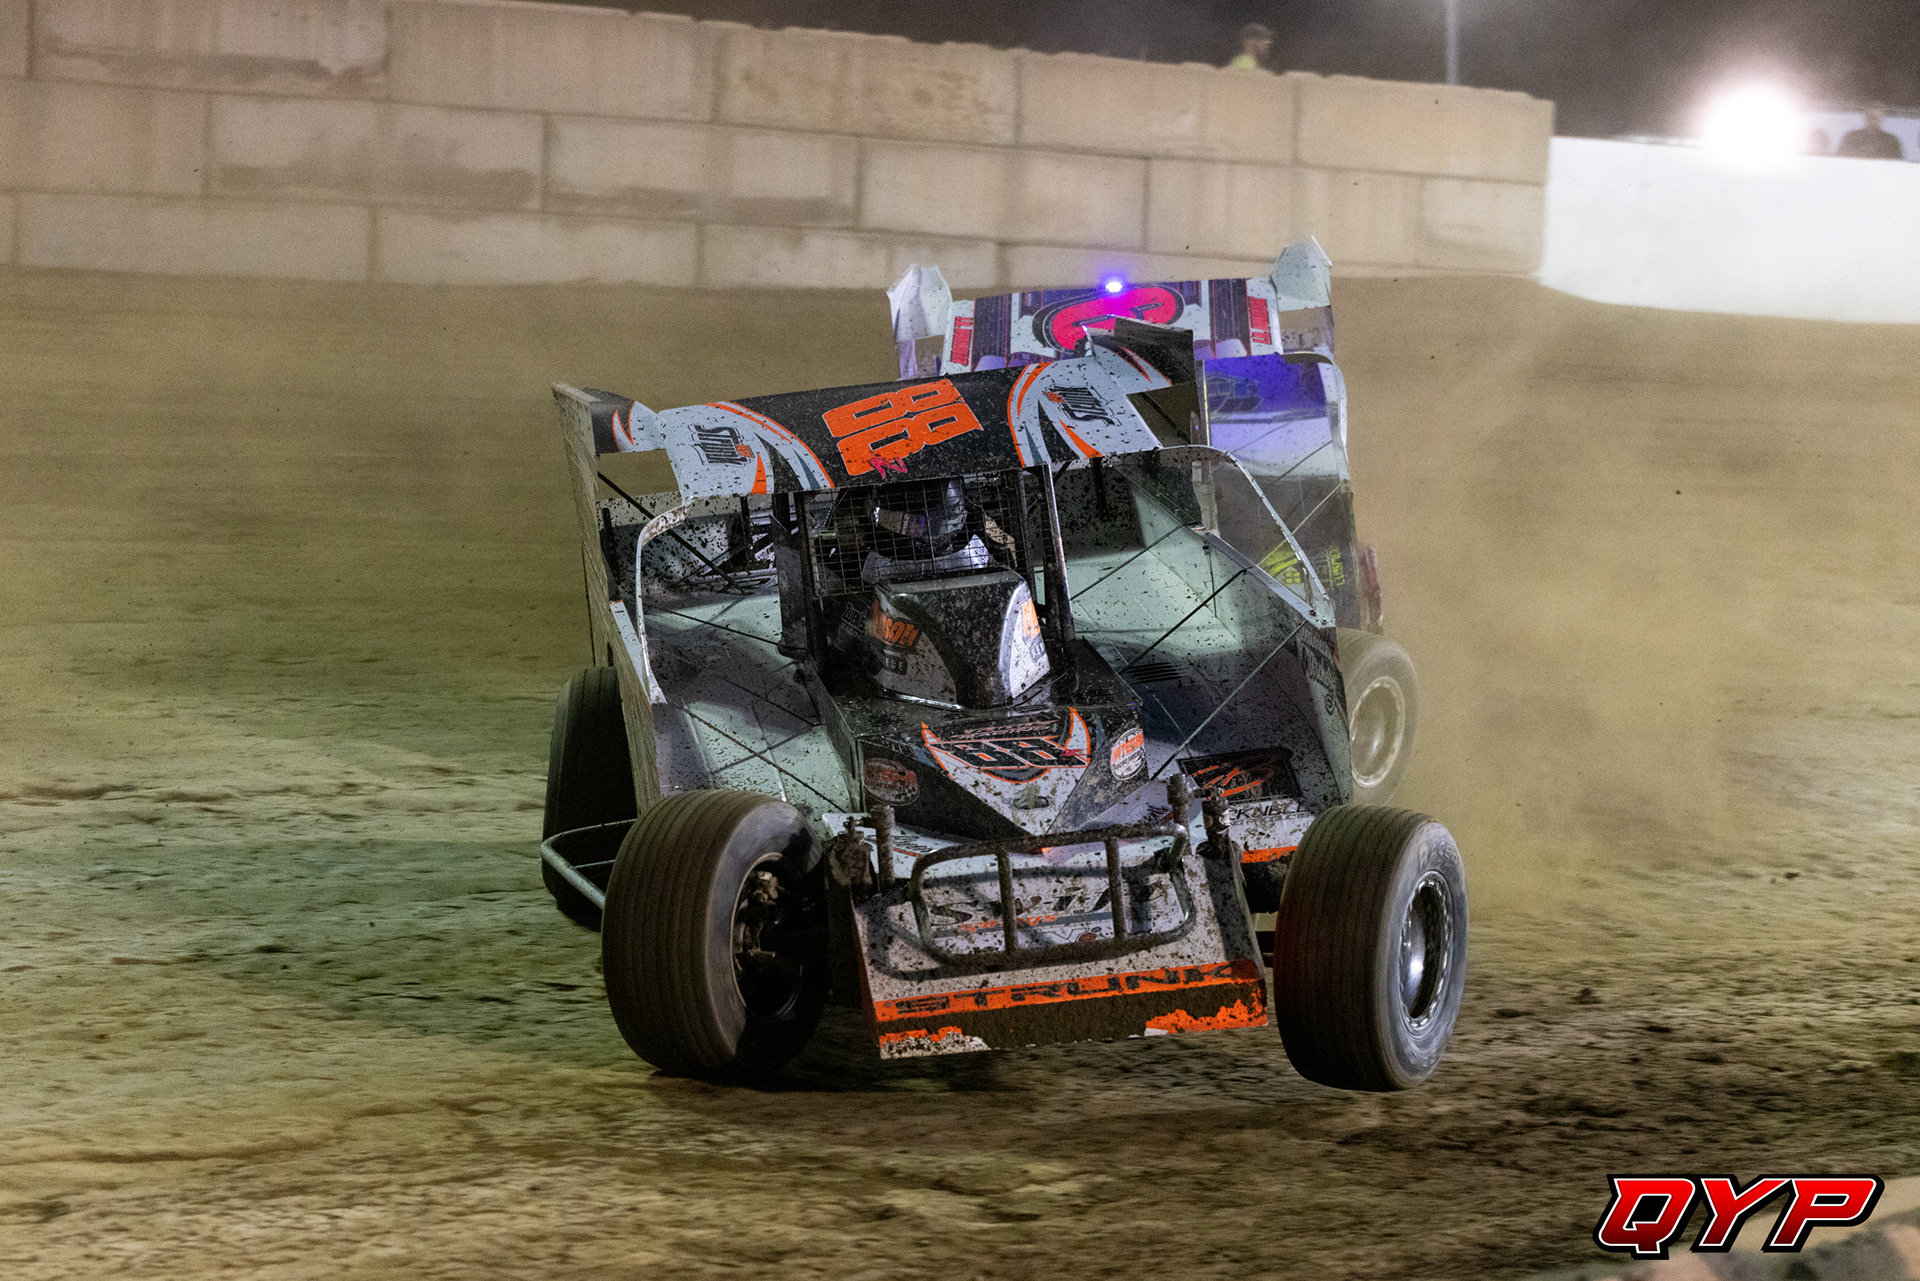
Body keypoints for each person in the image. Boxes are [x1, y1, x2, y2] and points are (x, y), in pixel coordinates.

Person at [1837, 107, 1905, 159]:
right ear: (1865, 118)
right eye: (1869, 117)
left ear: (1881, 119)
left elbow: (1897, 163)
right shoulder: (1851, 137)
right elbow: (1840, 158)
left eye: (1875, 117)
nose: (1872, 120)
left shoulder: (1891, 141)